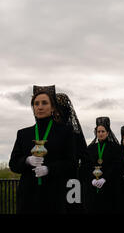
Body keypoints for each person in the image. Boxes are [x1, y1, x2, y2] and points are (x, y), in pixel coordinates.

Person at [9, 85, 75, 213]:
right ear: (33, 108)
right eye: (36, 103)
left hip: (54, 196)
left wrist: (49, 169)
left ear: (53, 107)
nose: (40, 107)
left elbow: (71, 163)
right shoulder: (23, 134)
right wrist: (27, 160)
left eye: (44, 103)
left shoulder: (65, 131)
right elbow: (13, 164)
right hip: (28, 197)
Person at [56, 92, 89, 213]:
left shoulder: (75, 134)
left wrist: (77, 174)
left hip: (72, 182)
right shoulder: (51, 133)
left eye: (60, 110)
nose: (57, 114)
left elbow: (85, 160)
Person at [85, 116, 122, 214]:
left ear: (108, 132)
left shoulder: (115, 148)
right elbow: (86, 166)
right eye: (98, 131)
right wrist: (91, 179)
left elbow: (117, 166)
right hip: (93, 188)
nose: (100, 134)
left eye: (103, 131)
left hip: (110, 187)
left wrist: (104, 178)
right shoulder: (90, 148)